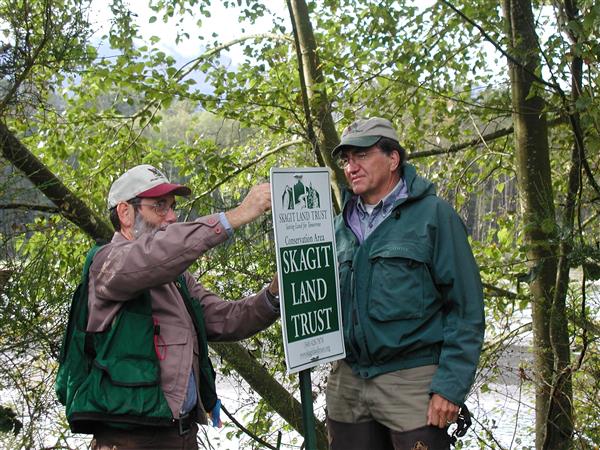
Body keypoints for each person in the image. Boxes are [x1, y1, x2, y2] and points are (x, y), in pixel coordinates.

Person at [79, 164, 280, 449]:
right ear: (125, 213)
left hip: (181, 435)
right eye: (159, 206)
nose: (172, 217)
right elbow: (151, 257)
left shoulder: (176, 279)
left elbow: (225, 319)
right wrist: (233, 217)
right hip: (130, 440)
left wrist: (274, 295)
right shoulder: (107, 263)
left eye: (172, 207)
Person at [326, 118, 485, 449]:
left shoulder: (433, 216)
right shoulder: (337, 226)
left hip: (412, 382)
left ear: (393, 159)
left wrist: (450, 387)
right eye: (346, 160)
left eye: (362, 156)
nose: (351, 167)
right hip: (348, 384)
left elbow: (466, 309)